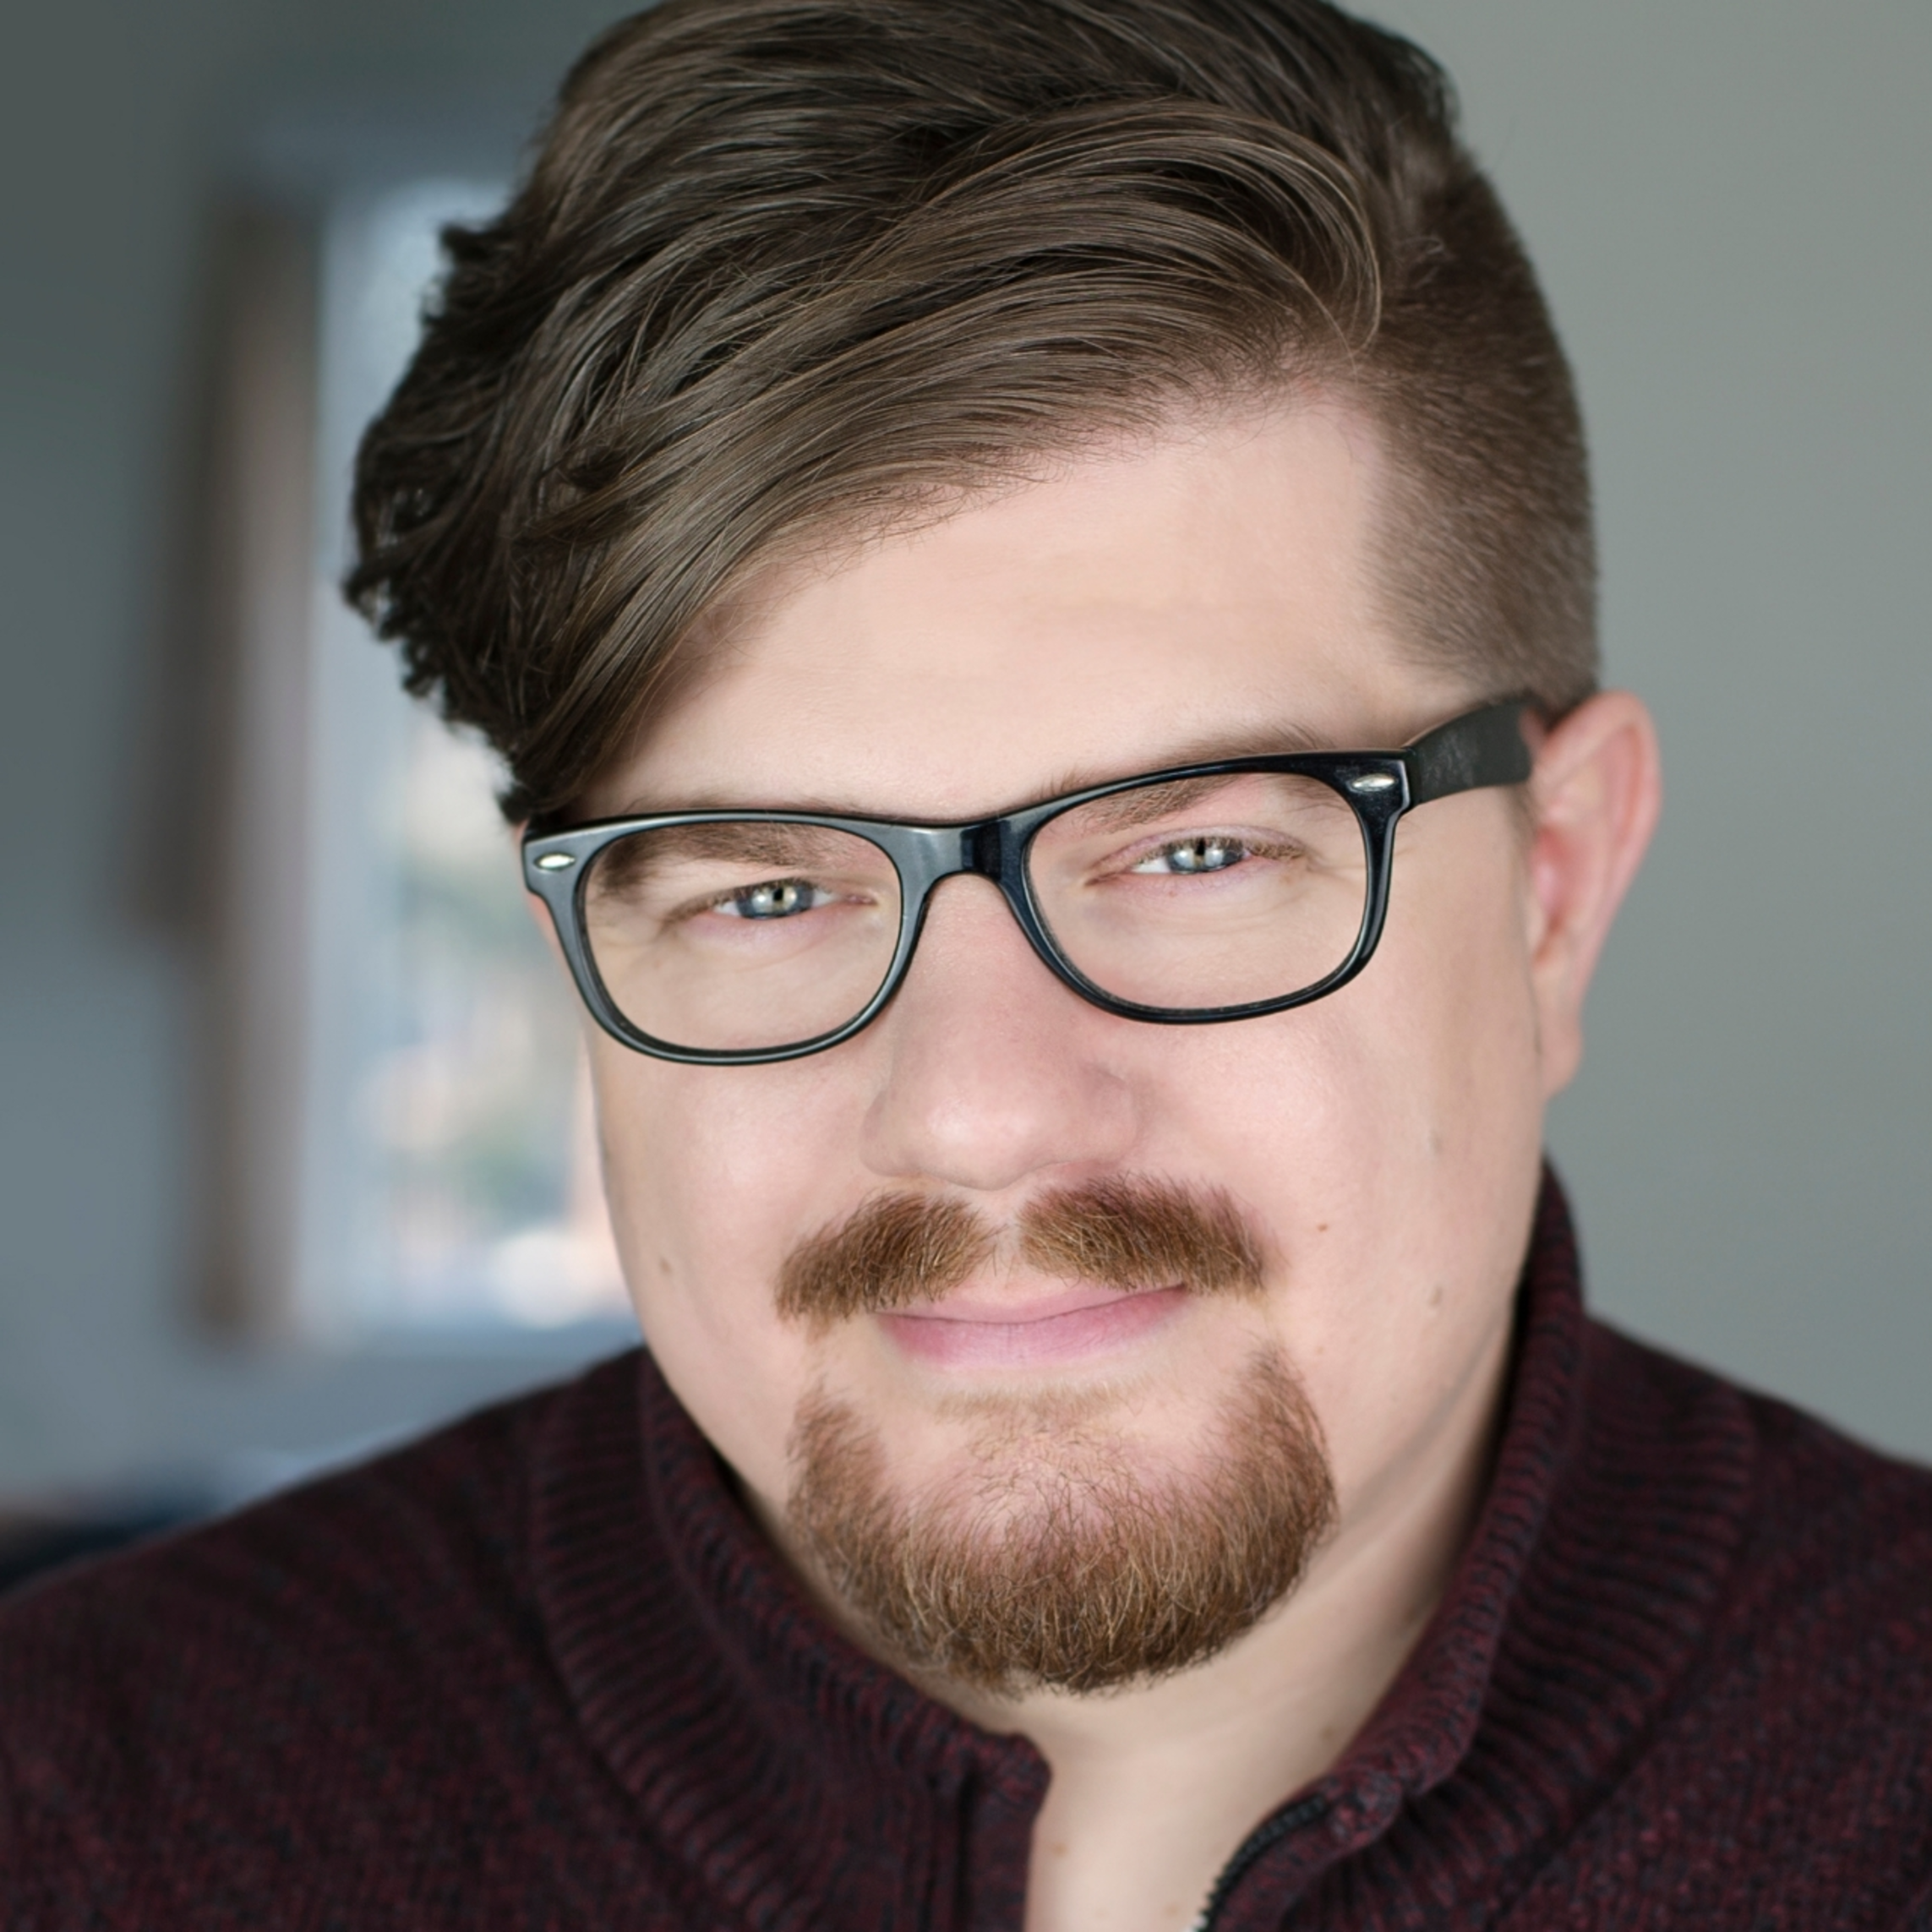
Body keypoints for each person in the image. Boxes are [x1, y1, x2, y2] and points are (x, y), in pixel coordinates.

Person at [3, 1, 1929, 1924]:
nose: (979, 1114)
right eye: (766, 894)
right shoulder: (78, 1812)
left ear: (1552, 892)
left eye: (1193, 852)